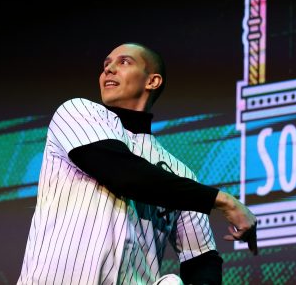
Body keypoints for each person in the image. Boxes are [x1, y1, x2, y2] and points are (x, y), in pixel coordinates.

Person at [18, 42, 257, 285]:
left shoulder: (179, 173)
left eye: (123, 62)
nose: (109, 70)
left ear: (152, 81)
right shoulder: (76, 112)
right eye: (106, 64)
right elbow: (123, 173)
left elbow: (200, 258)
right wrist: (223, 201)